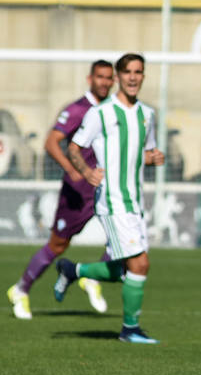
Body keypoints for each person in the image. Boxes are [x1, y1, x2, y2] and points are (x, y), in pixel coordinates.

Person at [52, 53, 166, 344]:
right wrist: (87, 172)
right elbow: (74, 147)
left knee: (124, 270)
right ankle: (129, 330)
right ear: (118, 76)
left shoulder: (147, 115)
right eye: (127, 71)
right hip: (112, 201)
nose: (132, 77)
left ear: (143, 76)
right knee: (140, 264)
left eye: (138, 72)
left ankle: (73, 270)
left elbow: (142, 154)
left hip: (135, 202)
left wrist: (153, 158)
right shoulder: (100, 113)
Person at [7, 60, 115, 320]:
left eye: (109, 78)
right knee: (58, 245)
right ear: (90, 79)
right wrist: (71, 168)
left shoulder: (112, 110)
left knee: (124, 237)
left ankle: (92, 278)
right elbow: (51, 141)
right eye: (100, 77)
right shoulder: (78, 109)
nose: (105, 82)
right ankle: (21, 289)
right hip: (78, 191)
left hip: (106, 187)